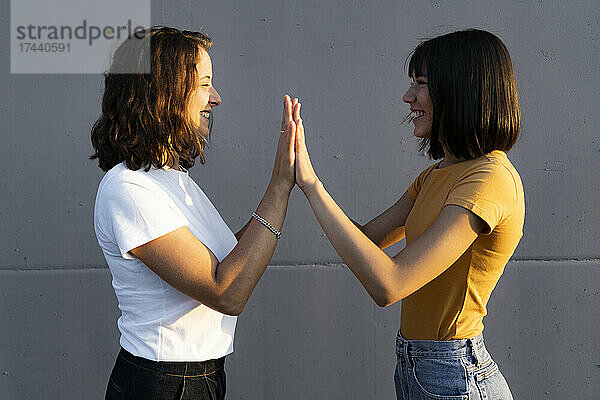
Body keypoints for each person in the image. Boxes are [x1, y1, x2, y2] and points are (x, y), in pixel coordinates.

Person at [292, 29, 522, 399]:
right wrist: (303, 179)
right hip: (417, 367)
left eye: (422, 84)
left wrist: (311, 186)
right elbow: (366, 242)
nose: (408, 96)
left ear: (461, 90)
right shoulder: (436, 175)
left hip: (455, 377)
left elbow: (390, 284)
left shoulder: (490, 179)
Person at [91, 27, 300, 400]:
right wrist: (280, 186)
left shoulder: (169, 178)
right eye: (204, 84)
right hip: (164, 384)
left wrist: (283, 184)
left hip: (195, 379)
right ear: (163, 93)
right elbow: (226, 291)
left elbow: (229, 261)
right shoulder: (130, 190)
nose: (216, 98)